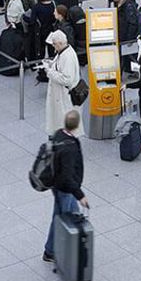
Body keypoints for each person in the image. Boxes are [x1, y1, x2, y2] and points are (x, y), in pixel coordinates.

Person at [43, 110, 90, 263]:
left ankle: (51, 251)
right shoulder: (70, 148)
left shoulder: (58, 134)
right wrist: (80, 195)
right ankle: (71, 254)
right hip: (65, 190)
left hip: (57, 186)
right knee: (70, 219)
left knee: (60, 217)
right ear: (77, 126)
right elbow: (68, 177)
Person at [44, 30, 82, 135]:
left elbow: (67, 79)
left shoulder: (67, 56)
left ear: (60, 43)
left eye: (54, 44)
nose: (53, 47)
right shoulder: (64, 51)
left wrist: (49, 72)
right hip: (60, 95)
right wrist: (51, 64)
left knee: (62, 121)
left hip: (63, 96)